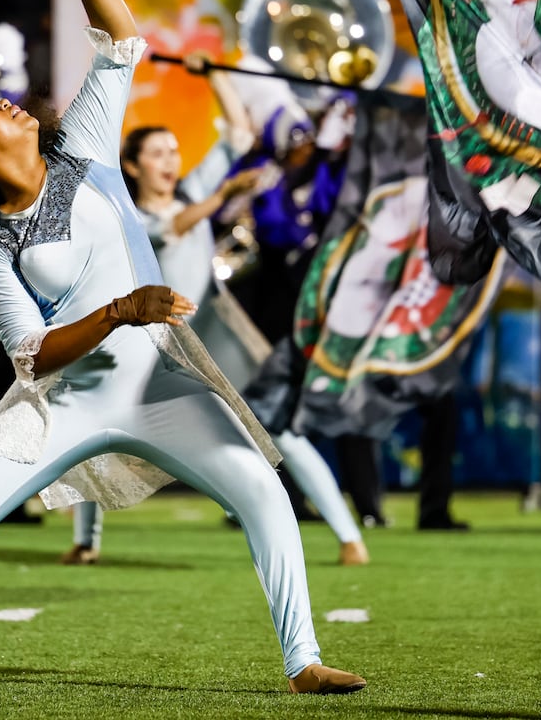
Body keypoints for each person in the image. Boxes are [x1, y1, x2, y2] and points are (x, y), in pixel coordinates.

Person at [0, 0, 364, 695]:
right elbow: (32, 357)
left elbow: (121, 41)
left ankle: (303, 662)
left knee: (265, 493)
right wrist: (118, 311)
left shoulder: (85, 149)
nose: (7, 104)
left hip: (160, 388)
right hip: (63, 403)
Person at [62, 66, 369, 569]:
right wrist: (224, 196)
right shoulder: (130, 216)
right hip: (156, 344)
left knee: (281, 429)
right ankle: (86, 540)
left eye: (173, 151)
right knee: (98, 433)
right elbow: (178, 225)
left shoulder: (192, 191)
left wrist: (215, 78)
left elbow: (240, 134)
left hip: (215, 338)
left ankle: (349, 536)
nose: (171, 161)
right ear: (133, 167)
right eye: (157, 154)